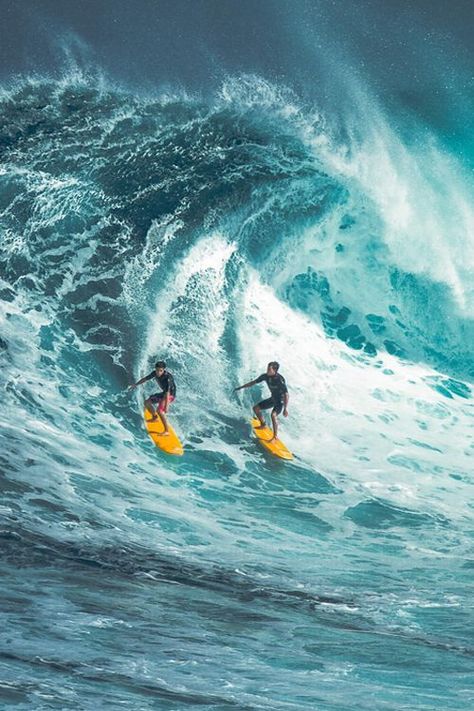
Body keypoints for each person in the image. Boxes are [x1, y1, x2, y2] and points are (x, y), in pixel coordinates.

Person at [234, 361, 289, 441]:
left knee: (273, 415)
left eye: (269, 369)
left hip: (280, 401)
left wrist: (285, 408)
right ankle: (263, 424)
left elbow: (286, 394)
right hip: (273, 399)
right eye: (267, 368)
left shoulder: (279, 380)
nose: (267, 370)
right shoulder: (265, 376)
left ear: (275, 370)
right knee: (256, 408)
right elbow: (253, 382)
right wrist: (241, 387)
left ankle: (275, 437)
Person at [129, 360, 176, 435]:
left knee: (160, 411)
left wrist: (167, 407)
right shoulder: (154, 373)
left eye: (160, 371)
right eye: (157, 370)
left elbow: (167, 394)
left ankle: (166, 431)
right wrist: (135, 384)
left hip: (170, 395)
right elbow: (145, 379)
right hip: (164, 393)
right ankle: (154, 417)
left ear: (163, 370)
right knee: (147, 402)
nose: (158, 372)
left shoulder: (167, 378)